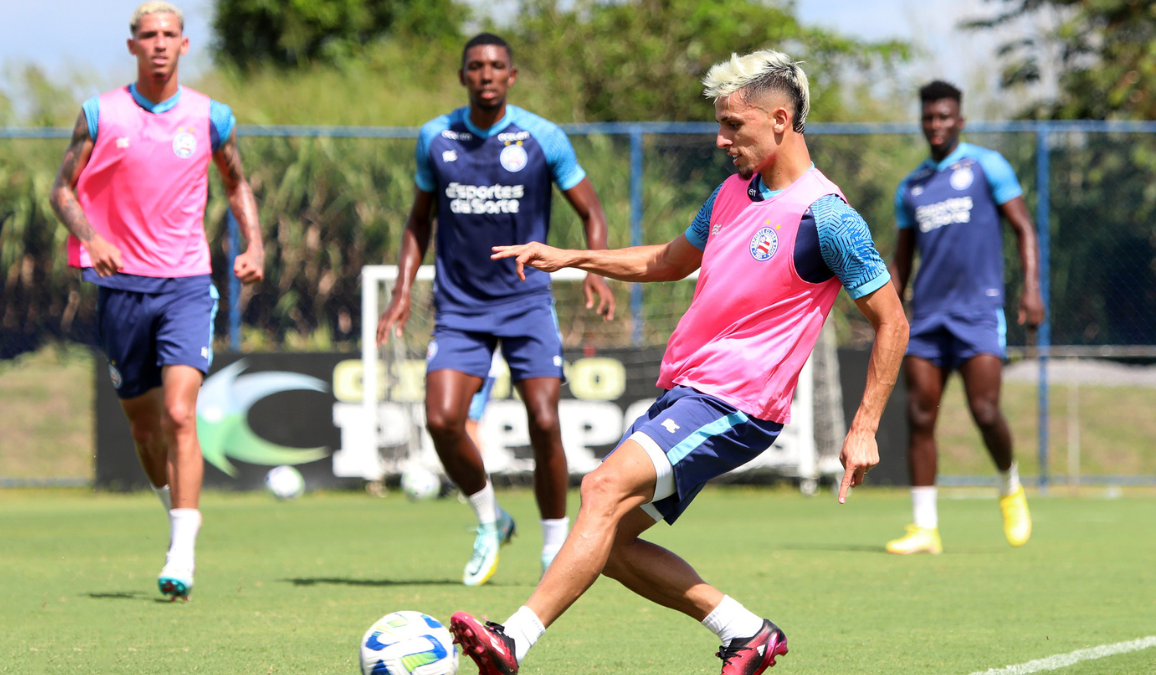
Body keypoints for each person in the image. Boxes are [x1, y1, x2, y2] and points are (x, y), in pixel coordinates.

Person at [448, 50, 909, 675]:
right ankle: (746, 633)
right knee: (608, 541)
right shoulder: (729, 193)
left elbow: (893, 322)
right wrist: (573, 256)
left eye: (733, 126)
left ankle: (513, 641)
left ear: (780, 120)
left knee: (602, 489)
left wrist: (863, 428)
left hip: (737, 405)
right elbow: (667, 260)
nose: (722, 140)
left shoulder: (828, 217)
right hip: (689, 393)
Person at [376, 32, 615, 586]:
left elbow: (592, 211)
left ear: (511, 77)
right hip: (460, 307)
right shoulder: (436, 137)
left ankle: (555, 542)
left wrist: (595, 270)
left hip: (526, 302)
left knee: (545, 419)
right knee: (440, 420)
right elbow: (418, 222)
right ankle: (490, 519)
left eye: (496, 66)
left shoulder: (542, 137)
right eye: (476, 66)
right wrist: (400, 291)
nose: (486, 74)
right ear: (463, 77)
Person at [49, 1, 265, 600]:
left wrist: (256, 243)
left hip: (187, 284)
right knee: (145, 431)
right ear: (133, 46)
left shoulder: (211, 117)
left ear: (185, 45)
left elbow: (236, 181)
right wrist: (93, 238)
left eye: (171, 34)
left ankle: (183, 552)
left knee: (178, 415)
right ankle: (174, 512)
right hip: (121, 289)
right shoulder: (101, 113)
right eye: (149, 35)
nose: (161, 44)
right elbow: (61, 188)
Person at [886, 81, 1045, 555]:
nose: (936, 125)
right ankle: (924, 528)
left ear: (960, 119)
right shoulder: (910, 187)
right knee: (919, 416)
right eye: (929, 118)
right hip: (928, 317)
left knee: (985, 410)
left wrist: (1032, 289)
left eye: (944, 117)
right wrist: (884, 311)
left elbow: (1024, 229)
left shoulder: (986, 165)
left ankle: (1008, 484)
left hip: (978, 311)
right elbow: (901, 265)